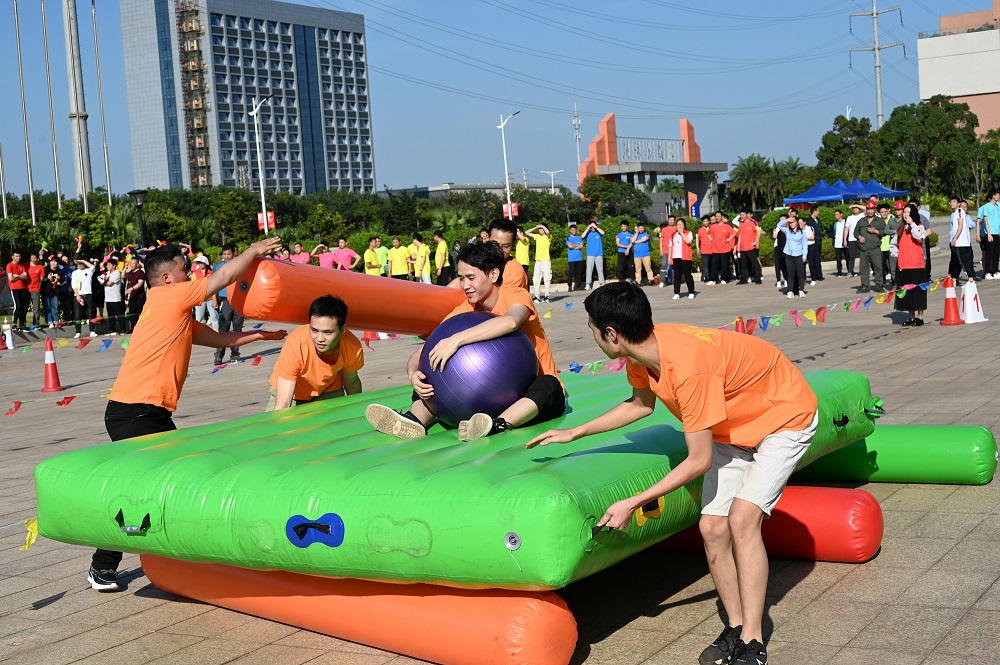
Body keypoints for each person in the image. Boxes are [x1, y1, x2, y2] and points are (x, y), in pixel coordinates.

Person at [525, 282, 818, 665]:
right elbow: (640, 404)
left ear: (611, 334)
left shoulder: (689, 369)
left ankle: (752, 641)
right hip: (731, 427)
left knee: (742, 520)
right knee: (712, 528)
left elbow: (698, 460)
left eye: (592, 328)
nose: (592, 336)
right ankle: (734, 626)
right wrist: (575, 432)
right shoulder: (643, 351)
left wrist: (633, 502)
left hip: (783, 418)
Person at [89, 238, 288, 591]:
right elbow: (223, 276)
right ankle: (102, 565)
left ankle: (160, 551)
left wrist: (259, 335)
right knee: (143, 485)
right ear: (167, 277)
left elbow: (220, 339)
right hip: (135, 412)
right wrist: (254, 250)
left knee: (161, 481)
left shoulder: (171, 310)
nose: (192, 274)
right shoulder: (170, 297)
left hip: (144, 412)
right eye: (185, 269)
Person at [365, 241, 564, 442]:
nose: (465, 285)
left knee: (550, 384)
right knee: (430, 374)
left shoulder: (515, 294)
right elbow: (423, 351)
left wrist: (456, 340)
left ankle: (496, 424)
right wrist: (413, 373)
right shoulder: (464, 311)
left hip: (529, 393)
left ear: (493, 274)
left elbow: (511, 321)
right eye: (461, 278)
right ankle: (414, 420)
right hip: (478, 399)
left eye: (471, 278)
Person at [268, 295, 363, 410]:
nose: (319, 338)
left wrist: (358, 411)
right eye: (314, 330)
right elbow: (283, 404)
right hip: (293, 395)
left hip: (328, 389)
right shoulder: (296, 345)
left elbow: (351, 383)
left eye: (327, 332)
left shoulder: (352, 347)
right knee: (280, 419)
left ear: (343, 329)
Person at [894, 203, 929, 327]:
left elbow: (920, 237)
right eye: (904, 212)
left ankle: (920, 317)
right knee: (907, 293)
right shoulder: (901, 229)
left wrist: (912, 224)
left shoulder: (919, 226)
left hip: (916, 265)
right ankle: (911, 317)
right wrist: (898, 254)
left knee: (918, 292)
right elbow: (893, 244)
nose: (906, 215)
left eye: (908, 212)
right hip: (904, 265)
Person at [213, 243, 246, 365]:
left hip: (239, 300)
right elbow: (213, 284)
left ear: (234, 253)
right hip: (225, 300)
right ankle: (219, 354)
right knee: (223, 327)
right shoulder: (218, 267)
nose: (226, 256)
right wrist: (214, 299)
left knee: (237, 327)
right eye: (224, 254)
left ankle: (235, 353)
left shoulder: (240, 266)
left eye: (229, 254)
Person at [855, 200, 886, 293]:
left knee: (878, 268)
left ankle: (879, 285)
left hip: (875, 249)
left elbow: (884, 232)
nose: (870, 211)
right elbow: (855, 232)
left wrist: (875, 231)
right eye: (868, 209)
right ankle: (865, 286)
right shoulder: (861, 221)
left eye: (872, 209)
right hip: (863, 249)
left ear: (875, 210)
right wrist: (859, 237)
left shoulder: (880, 221)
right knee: (863, 269)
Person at [774, 215, 808, 298]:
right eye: (790, 223)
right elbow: (779, 225)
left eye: (793, 222)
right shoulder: (787, 231)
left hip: (799, 255)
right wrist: (787, 220)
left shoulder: (802, 233)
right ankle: (790, 291)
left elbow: (805, 245)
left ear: (797, 222)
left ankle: (801, 290)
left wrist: (804, 256)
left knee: (800, 274)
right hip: (789, 255)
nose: (791, 224)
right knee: (790, 274)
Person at [948, 196, 976, 283]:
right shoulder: (956, 213)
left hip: (960, 242)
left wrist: (955, 238)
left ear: (958, 203)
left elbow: (960, 226)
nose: (952, 203)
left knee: (963, 260)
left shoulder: (959, 211)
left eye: (954, 202)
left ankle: (971, 278)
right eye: (951, 202)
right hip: (960, 241)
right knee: (958, 261)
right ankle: (953, 279)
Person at [668, 218, 695, 299]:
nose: (679, 226)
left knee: (687, 275)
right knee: (677, 276)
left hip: (685, 257)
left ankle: (691, 292)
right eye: (678, 224)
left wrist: (682, 233)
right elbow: (670, 246)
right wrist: (669, 257)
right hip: (675, 257)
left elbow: (688, 241)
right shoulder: (673, 235)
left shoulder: (689, 233)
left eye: (681, 224)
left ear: (684, 225)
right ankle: (676, 293)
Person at [71, 256, 97, 338]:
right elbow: (74, 285)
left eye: (81, 263)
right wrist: (77, 295)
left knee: (91, 313)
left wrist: (83, 260)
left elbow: (92, 267)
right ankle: (78, 331)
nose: (80, 265)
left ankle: (92, 330)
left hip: (88, 294)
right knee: (77, 314)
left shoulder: (88, 271)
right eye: (79, 264)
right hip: (78, 295)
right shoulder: (75, 273)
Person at [98, 257, 125, 336]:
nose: (107, 266)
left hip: (115, 298)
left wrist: (104, 282)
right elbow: (100, 281)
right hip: (108, 298)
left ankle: (122, 329)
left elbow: (110, 283)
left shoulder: (117, 273)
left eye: (109, 265)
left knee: (119, 315)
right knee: (110, 315)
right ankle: (112, 329)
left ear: (114, 266)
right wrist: (103, 280)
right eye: (107, 265)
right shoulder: (107, 273)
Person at [526, 224, 553, 303]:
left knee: (547, 279)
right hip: (538, 261)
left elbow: (548, 232)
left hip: (546, 261)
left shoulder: (548, 237)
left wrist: (542, 226)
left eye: (541, 229)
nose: (540, 230)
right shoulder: (537, 236)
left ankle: (547, 296)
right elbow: (527, 232)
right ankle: (537, 297)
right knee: (536, 279)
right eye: (539, 229)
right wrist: (535, 227)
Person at [977, 190, 1000, 280]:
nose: (998, 196)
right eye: (997, 195)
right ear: (993, 196)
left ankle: (995, 271)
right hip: (989, 233)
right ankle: (987, 272)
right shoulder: (986, 207)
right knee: (989, 254)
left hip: (997, 232)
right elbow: (985, 220)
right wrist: (989, 234)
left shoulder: (998, 206)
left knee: (996, 253)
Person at [736, 211, 762, 285]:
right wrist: (738, 246)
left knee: (755, 264)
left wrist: (756, 242)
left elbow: (758, 232)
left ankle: (758, 279)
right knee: (743, 265)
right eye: (740, 214)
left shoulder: (753, 223)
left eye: (743, 214)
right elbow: (740, 235)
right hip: (743, 248)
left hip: (751, 248)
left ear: (747, 215)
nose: (741, 216)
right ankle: (744, 279)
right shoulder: (741, 224)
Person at [6, 251, 29, 330]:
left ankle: (22, 323)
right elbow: (11, 278)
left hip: (22, 288)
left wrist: (17, 275)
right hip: (14, 288)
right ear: (12, 257)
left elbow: (26, 276)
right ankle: (14, 323)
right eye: (16, 256)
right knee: (18, 305)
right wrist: (21, 276)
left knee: (23, 306)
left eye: (19, 256)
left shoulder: (21, 266)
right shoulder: (9, 265)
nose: (18, 258)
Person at [123, 256, 146, 333]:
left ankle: (142, 328)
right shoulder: (130, 273)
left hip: (140, 296)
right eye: (131, 263)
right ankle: (133, 328)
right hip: (132, 296)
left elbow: (140, 284)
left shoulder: (141, 273)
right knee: (132, 313)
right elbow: (127, 282)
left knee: (140, 312)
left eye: (133, 263)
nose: (131, 265)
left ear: (137, 264)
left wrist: (132, 288)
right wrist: (127, 292)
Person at [582, 216, 606, 289]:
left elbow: (603, 233)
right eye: (591, 227)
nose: (592, 228)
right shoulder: (588, 233)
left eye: (593, 227)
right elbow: (582, 236)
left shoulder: (598, 232)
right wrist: (588, 227)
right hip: (590, 254)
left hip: (599, 253)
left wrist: (596, 227)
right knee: (589, 270)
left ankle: (602, 282)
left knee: (600, 269)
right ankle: (588, 284)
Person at [42, 256, 65, 327]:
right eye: (52, 261)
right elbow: (41, 279)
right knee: (47, 308)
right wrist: (47, 278)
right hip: (45, 292)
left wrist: (57, 282)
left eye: (55, 262)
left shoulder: (60, 271)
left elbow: (63, 281)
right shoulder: (45, 269)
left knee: (55, 307)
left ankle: (56, 321)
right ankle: (49, 322)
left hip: (55, 292)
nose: (53, 263)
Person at [844, 202, 864, 277]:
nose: (855, 209)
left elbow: (867, 208)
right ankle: (850, 271)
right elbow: (846, 229)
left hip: (861, 238)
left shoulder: (862, 215)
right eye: (854, 208)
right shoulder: (849, 218)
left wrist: (856, 205)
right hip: (852, 239)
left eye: (856, 208)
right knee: (851, 257)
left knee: (863, 256)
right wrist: (845, 239)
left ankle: (863, 271)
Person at [805, 206, 824, 284]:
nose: (819, 212)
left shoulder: (818, 220)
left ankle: (819, 275)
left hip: (818, 242)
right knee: (812, 260)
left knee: (818, 259)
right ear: (814, 211)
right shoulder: (809, 221)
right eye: (818, 211)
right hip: (812, 243)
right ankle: (814, 275)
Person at [26, 253, 46, 327]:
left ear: (38, 258)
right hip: (26, 289)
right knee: (24, 308)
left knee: (36, 309)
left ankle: (36, 324)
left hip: (35, 289)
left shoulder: (41, 267)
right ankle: (23, 324)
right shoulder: (26, 265)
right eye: (32, 258)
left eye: (35, 258)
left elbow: (41, 279)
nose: (33, 260)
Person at [658, 216, 677, 288]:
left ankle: (674, 280)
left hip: (674, 251)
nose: (671, 221)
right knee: (663, 264)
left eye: (672, 220)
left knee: (675, 266)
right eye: (670, 220)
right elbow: (661, 240)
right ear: (668, 220)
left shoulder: (677, 229)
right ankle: (662, 281)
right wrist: (661, 250)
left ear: (675, 221)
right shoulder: (663, 229)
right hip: (665, 250)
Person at [566, 225, 584, 291]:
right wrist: (577, 245)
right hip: (572, 259)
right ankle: (570, 286)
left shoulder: (579, 237)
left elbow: (581, 246)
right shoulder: (568, 238)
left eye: (574, 229)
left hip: (579, 258)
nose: (573, 231)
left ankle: (578, 286)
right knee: (571, 273)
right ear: (570, 231)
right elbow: (570, 246)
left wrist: (574, 246)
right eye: (572, 230)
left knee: (578, 273)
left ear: (576, 230)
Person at [697, 217, 714, 284]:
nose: (705, 223)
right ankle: (707, 278)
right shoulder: (700, 230)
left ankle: (712, 278)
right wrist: (698, 248)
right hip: (704, 250)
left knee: (712, 265)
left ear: (709, 221)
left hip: (712, 250)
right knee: (705, 265)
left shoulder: (712, 228)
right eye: (704, 221)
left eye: (706, 221)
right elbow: (697, 239)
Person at [830, 209, 847, 277]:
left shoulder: (846, 222)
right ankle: (839, 271)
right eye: (835, 215)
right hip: (837, 244)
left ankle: (850, 270)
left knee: (847, 258)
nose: (836, 216)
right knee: (838, 259)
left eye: (837, 214)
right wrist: (833, 235)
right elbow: (829, 231)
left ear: (841, 214)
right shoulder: (834, 223)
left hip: (845, 243)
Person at [773, 214, 788, 289]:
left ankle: (786, 279)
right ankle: (778, 279)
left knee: (785, 264)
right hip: (777, 247)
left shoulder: (788, 228)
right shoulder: (778, 228)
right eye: (780, 220)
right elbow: (774, 236)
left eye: (783, 220)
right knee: (777, 264)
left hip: (786, 248)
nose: (782, 221)